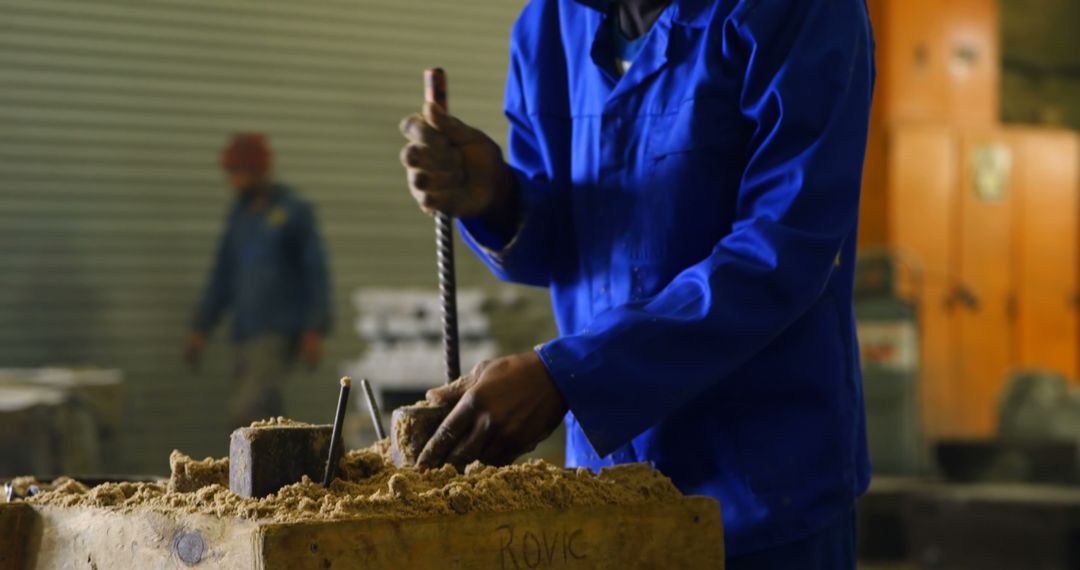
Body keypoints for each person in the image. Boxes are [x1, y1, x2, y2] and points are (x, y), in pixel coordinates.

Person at [398, 0, 873, 566]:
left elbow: (782, 250)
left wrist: (571, 376)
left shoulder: (799, 13)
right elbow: (563, 246)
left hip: (762, 493)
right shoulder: (550, 25)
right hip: (603, 493)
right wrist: (499, 199)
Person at [185, 133, 332, 429]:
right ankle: (279, 473)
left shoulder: (292, 212)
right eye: (232, 173)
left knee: (248, 412)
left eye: (241, 172)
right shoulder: (239, 218)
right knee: (267, 412)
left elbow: (315, 272)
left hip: (277, 332)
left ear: (260, 171)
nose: (235, 181)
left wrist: (314, 328)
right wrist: (201, 326)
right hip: (245, 332)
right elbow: (222, 275)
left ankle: (249, 474)